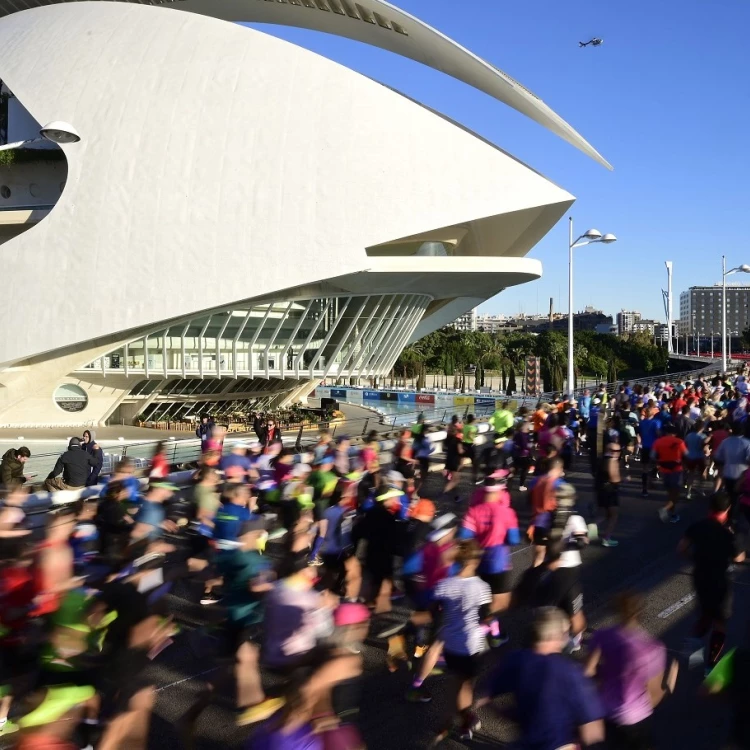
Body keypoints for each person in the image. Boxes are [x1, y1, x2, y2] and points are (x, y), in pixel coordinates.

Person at [478, 607, 605, 750]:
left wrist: (508, 714)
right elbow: (592, 731)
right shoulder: (570, 672)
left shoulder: (514, 660)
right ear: (555, 637)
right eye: (565, 634)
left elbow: (483, 697)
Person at [585, 591, 677, 750]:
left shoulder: (601, 635)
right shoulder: (653, 649)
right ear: (641, 613)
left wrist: (607, 673)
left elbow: (588, 671)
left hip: (606, 711)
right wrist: (670, 683)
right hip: (635, 718)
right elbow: (653, 696)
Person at [431, 539, 491, 743]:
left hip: (451, 645)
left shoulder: (444, 585)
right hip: (471, 645)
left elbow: (436, 612)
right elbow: (486, 617)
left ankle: (460, 720)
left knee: (457, 683)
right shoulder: (482, 588)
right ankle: (458, 722)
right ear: (473, 561)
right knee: (464, 686)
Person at [679, 491, 744, 672]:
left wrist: (695, 558)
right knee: (720, 623)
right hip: (720, 581)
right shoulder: (729, 532)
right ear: (728, 509)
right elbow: (739, 558)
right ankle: (711, 666)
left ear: (710, 507)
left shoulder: (698, 526)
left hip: (700, 577)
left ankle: (694, 641)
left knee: (706, 612)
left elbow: (681, 548)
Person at [651, 424, 687, 523]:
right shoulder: (679, 442)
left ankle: (672, 515)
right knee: (676, 494)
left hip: (664, 470)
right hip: (676, 469)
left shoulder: (658, 442)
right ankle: (665, 509)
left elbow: (652, 456)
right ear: (674, 433)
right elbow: (687, 454)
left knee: (670, 494)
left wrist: (660, 462)